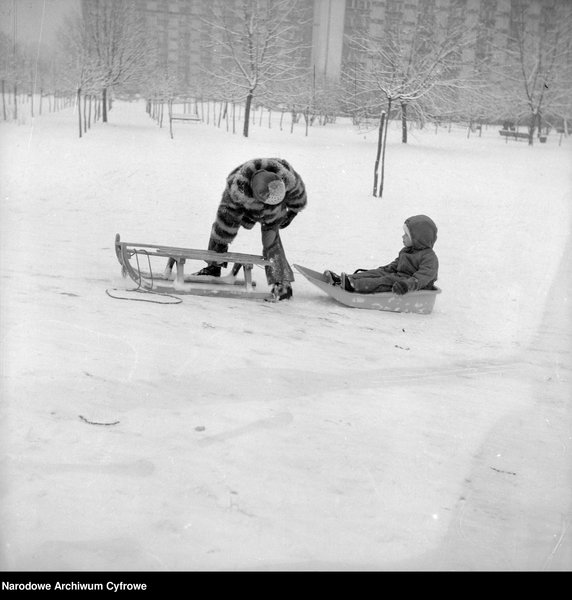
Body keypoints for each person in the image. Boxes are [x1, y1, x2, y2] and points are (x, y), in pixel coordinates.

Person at [192, 157, 307, 300]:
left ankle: (282, 283)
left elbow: (297, 191)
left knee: (271, 241)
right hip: (246, 209)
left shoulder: (286, 175)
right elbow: (226, 219)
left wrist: (294, 210)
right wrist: (221, 241)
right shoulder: (236, 192)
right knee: (220, 231)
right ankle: (213, 267)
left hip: (273, 214)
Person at [324, 214, 438, 295]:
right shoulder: (406, 251)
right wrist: (379, 271)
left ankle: (354, 285)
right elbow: (393, 267)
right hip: (400, 277)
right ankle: (344, 280)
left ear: (419, 239)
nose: (403, 237)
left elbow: (422, 278)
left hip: (408, 285)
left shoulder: (429, 258)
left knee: (384, 281)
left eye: (407, 235)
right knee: (378, 274)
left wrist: (406, 285)